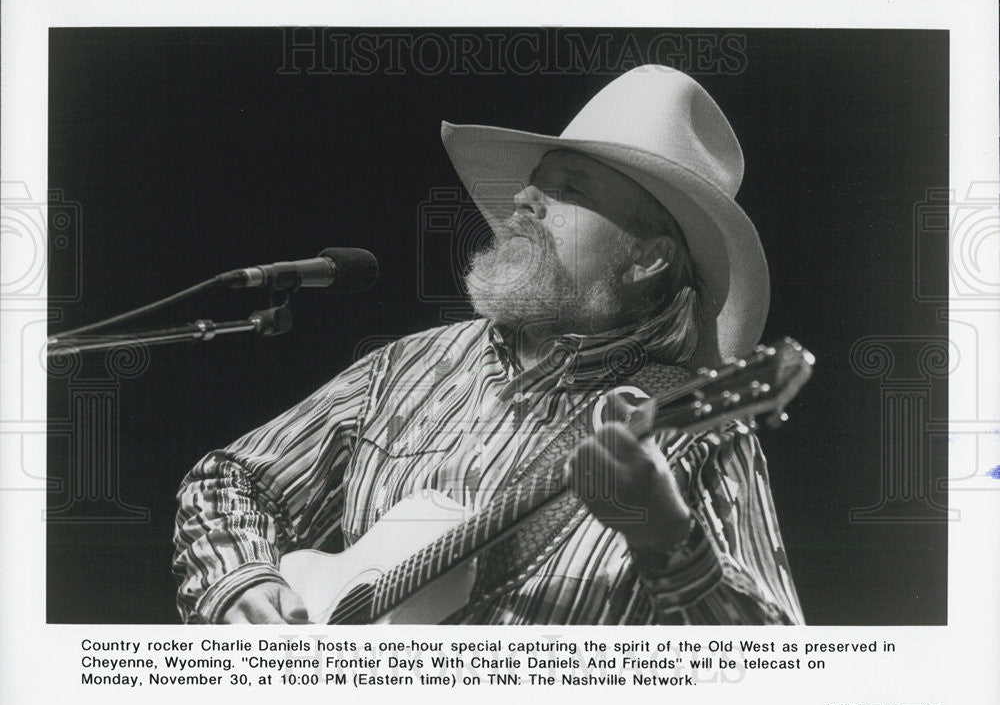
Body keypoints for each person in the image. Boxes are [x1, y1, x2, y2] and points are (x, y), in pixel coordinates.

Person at [172, 66, 805, 625]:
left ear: (647, 259)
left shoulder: (696, 433)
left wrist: (668, 538)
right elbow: (229, 481)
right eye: (533, 184)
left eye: (571, 189)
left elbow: (775, 665)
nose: (524, 201)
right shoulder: (408, 365)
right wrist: (242, 582)